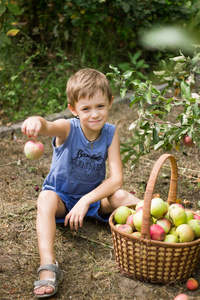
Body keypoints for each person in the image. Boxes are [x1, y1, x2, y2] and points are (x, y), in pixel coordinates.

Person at [21, 68, 139, 298]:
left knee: (123, 196)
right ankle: (48, 263)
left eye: (100, 106)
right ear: (73, 109)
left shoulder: (110, 133)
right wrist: (36, 121)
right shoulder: (68, 128)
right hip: (63, 201)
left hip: (92, 200)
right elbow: (48, 126)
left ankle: (162, 216)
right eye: (86, 109)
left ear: (110, 103)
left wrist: (86, 201)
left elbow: (116, 178)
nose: (94, 114)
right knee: (45, 198)